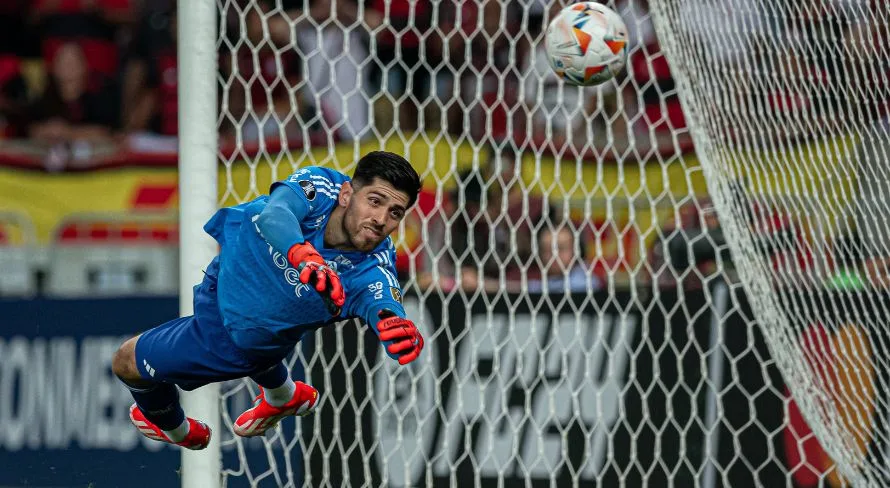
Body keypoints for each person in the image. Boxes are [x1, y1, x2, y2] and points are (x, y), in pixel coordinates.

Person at [111, 151, 425, 449]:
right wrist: (304, 256)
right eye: (375, 201)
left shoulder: (373, 268)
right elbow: (276, 213)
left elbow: (383, 305)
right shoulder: (323, 186)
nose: (381, 219)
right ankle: (283, 396)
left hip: (230, 335)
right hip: (224, 277)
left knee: (125, 361)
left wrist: (392, 324)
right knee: (272, 312)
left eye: (395, 213)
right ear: (346, 195)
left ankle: (177, 430)